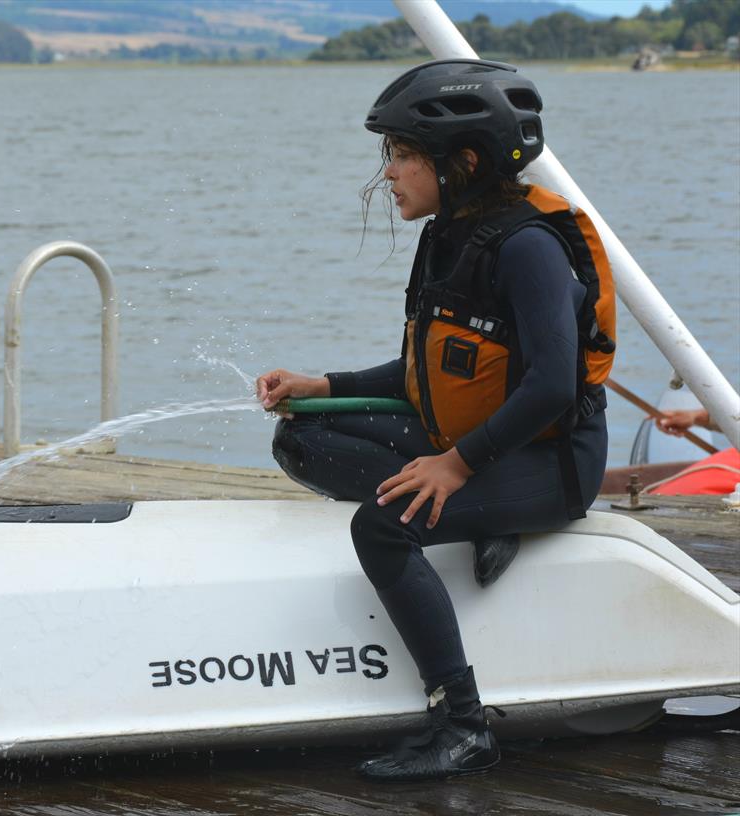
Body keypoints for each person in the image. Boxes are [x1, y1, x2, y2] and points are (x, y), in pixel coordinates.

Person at [256, 59, 615, 782]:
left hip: (549, 463)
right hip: (473, 443)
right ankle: (482, 516)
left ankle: (462, 725)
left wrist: (453, 468)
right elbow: (422, 375)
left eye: (404, 155)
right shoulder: (448, 235)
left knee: (383, 526)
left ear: (466, 161)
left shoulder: (528, 248)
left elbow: (549, 387)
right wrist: (323, 384)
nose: (389, 173)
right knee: (300, 436)